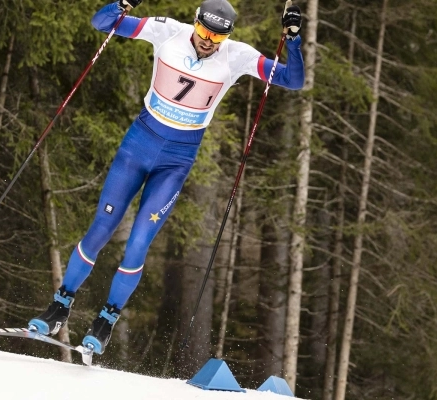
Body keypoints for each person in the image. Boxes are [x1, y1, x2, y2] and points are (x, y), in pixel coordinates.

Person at [28, 0, 304, 355]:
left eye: (216, 36)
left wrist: (293, 38)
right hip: (138, 146)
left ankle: (105, 320)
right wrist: (122, 3)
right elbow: (102, 23)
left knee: (139, 243)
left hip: (176, 161)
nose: (207, 41)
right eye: (204, 32)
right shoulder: (167, 31)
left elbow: (293, 81)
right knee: (101, 227)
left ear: (227, 36)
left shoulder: (236, 56)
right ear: (195, 23)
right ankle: (60, 305)